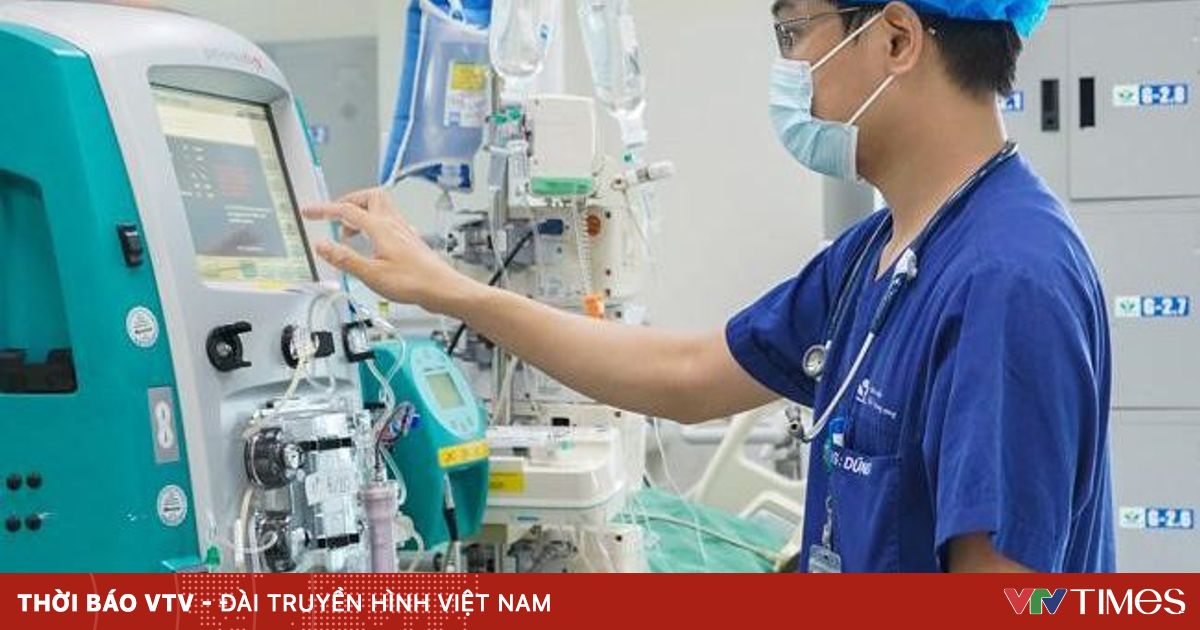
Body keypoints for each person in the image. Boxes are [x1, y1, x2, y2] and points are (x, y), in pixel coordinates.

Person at [303, 0, 1115, 573]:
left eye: (794, 32)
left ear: (896, 39)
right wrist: (456, 294)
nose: (789, 69)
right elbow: (692, 375)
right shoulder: (881, 251)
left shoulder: (1007, 282)